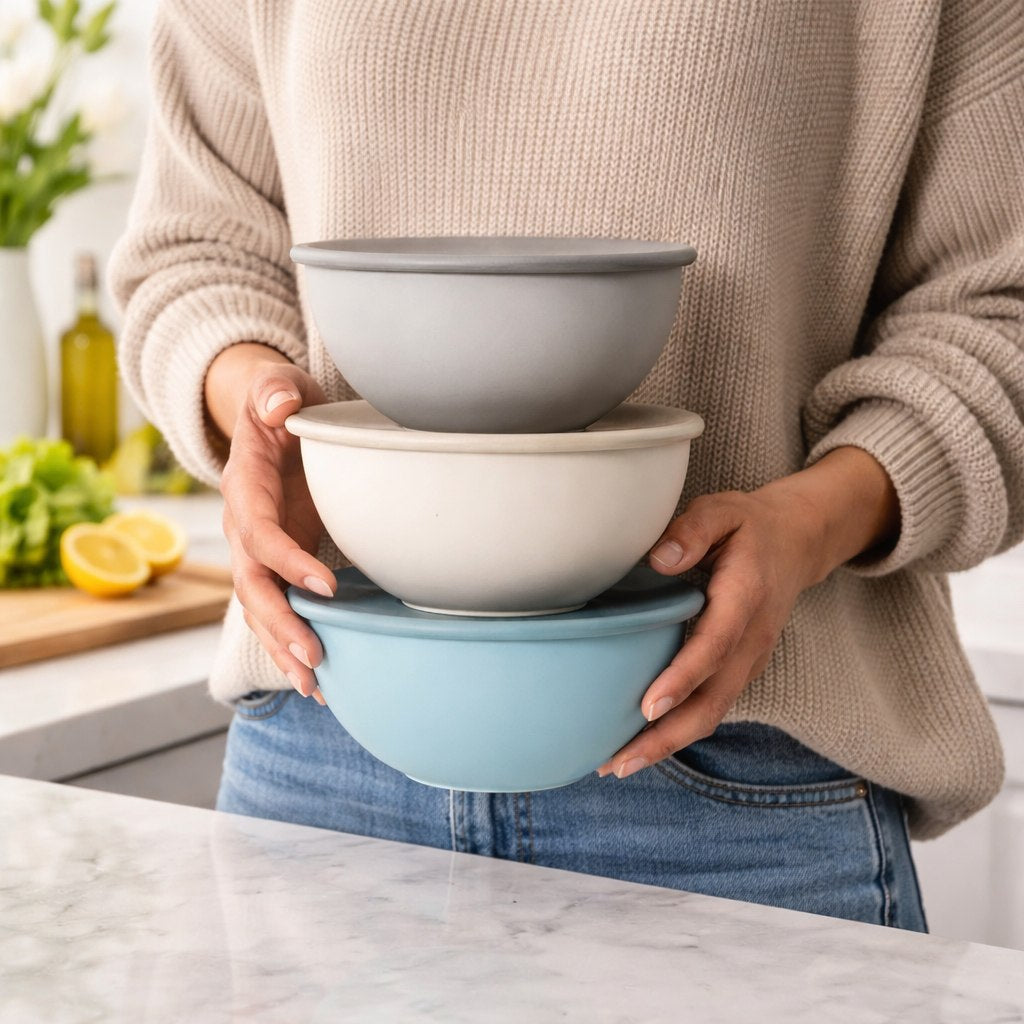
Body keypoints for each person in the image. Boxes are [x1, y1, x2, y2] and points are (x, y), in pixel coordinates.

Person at [109, 0, 1024, 931]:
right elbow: (197, 251)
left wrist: (811, 524)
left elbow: (1000, 313)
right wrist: (259, 404)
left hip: (741, 773)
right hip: (325, 740)